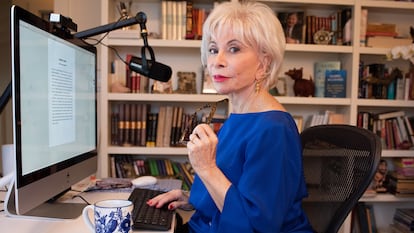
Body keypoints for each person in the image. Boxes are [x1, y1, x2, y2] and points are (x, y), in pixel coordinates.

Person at [147, 2, 313, 232]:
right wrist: (192, 197)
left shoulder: (274, 129)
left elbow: (257, 226)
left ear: (263, 64)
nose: (217, 60)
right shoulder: (239, 114)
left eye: (234, 49)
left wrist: (206, 168)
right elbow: (236, 186)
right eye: (214, 49)